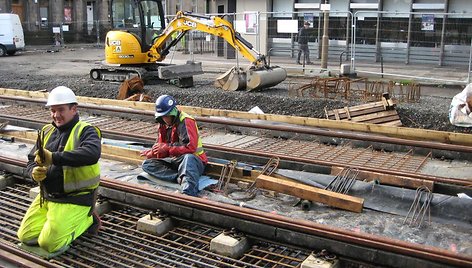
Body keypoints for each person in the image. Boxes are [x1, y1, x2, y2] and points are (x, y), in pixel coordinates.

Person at [17, 86, 102, 257]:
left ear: (74, 109)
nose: (56, 115)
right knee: (25, 236)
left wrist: (53, 158)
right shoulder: (46, 131)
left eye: (61, 110)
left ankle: (87, 219)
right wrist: (32, 172)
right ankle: (57, 222)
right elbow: (30, 161)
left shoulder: (86, 131)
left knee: (49, 244)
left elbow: (92, 154)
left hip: (75, 199)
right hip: (48, 197)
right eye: (53, 110)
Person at [139, 95, 208, 197]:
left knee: (188, 158)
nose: (165, 119)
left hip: (194, 161)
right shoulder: (162, 123)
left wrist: (167, 148)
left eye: (166, 115)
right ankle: (182, 177)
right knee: (147, 164)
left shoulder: (186, 121)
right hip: (176, 161)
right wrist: (153, 152)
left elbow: (191, 148)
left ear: (173, 113)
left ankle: (188, 192)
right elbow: (161, 144)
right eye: (163, 116)